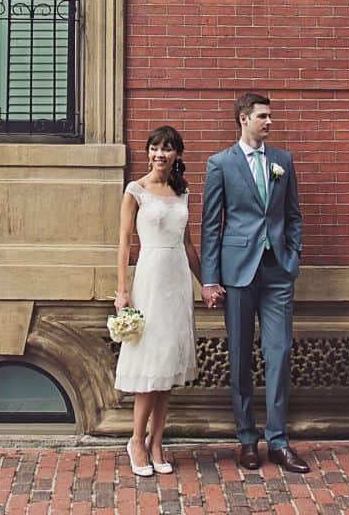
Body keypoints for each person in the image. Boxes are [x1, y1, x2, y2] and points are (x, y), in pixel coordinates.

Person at [200, 92, 311, 474]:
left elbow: (293, 215)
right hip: (237, 273)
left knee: (278, 354)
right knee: (241, 356)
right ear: (244, 119)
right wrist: (209, 278)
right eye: (263, 116)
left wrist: (292, 256)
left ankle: (278, 441)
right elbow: (211, 225)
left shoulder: (283, 161)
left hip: (277, 270)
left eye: (270, 116)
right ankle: (247, 438)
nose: (270, 122)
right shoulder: (220, 164)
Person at [114, 125, 200, 477]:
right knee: (150, 361)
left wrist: (206, 282)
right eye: (154, 148)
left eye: (166, 149)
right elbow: (123, 243)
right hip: (149, 277)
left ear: (177, 154)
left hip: (177, 280)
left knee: (168, 362)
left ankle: (156, 441)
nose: (159, 155)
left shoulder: (182, 192)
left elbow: (190, 244)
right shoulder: (136, 191)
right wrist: (122, 290)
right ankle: (136, 440)